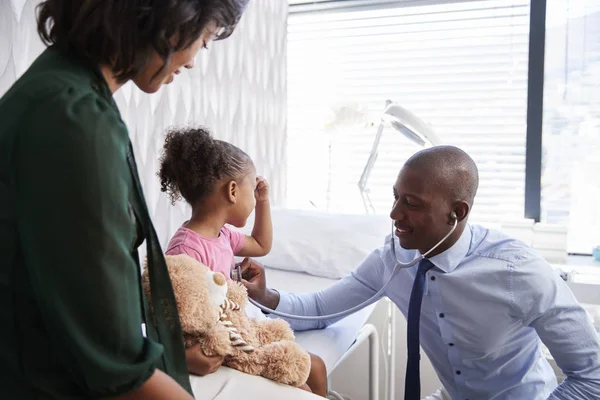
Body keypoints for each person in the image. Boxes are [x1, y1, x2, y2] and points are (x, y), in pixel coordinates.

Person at [0, 1, 248, 399]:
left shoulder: (57, 91)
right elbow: (116, 370)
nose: (194, 62)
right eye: (203, 40)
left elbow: (78, 302)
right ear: (171, 18)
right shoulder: (75, 121)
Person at [239, 145, 600, 400]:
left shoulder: (518, 272)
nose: (395, 214)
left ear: (456, 211)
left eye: (411, 203)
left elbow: (592, 377)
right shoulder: (394, 259)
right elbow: (320, 309)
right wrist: (265, 295)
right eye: (395, 197)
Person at [158, 127, 329, 397]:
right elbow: (172, 315)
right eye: (252, 192)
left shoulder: (223, 234)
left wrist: (263, 202)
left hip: (241, 327)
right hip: (223, 342)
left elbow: (262, 244)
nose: (253, 201)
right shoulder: (185, 250)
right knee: (304, 386)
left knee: (316, 366)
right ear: (233, 191)